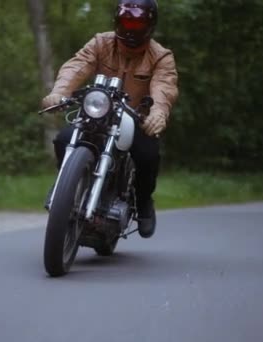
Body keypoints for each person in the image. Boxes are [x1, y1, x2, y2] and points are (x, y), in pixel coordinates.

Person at [41, 0, 178, 238]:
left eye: (137, 23)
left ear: (150, 25)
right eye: (126, 22)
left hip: (134, 120)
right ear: (117, 21)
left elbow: (164, 89)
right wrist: (59, 92)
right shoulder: (100, 43)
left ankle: (144, 203)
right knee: (63, 140)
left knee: (148, 155)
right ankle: (68, 187)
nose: (130, 29)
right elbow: (77, 66)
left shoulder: (160, 57)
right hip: (98, 113)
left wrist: (157, 114)